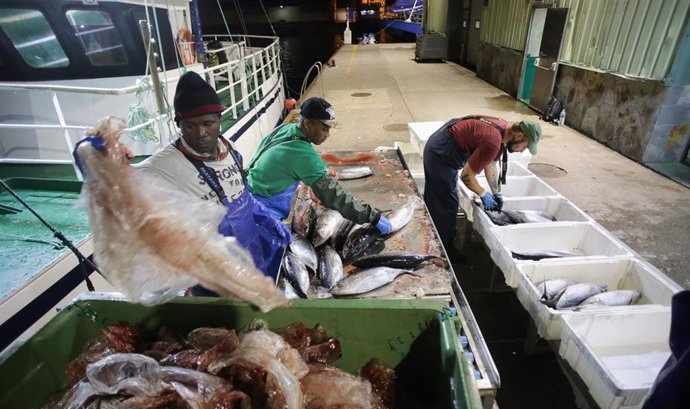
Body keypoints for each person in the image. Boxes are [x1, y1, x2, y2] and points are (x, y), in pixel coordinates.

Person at [136, 71, 290, 289]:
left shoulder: (231, 149)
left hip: (251, 255)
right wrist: (93, 158)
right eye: (190, 125)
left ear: (220, 118)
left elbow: (241, 194)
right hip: (211, 274)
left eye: (207, 123)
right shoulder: (162, 165)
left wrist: (265, 217)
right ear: (178, 123)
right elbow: (116, 186)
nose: (201, 133)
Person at [246, 97, 392, 234]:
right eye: (324, 128)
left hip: (246, 194)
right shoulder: (302, 154)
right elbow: (334, 195)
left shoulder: (285, 129)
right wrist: (372, 217)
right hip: (260, 212)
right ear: (308, 123)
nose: (327, 135)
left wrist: (318, 170)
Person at [423, 115, 542, 262]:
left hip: (442, 143)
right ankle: (442, 252)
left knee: (438, 198)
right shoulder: (493, 141)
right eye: (525, 146)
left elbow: (490, 163)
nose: (522, 150)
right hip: (440, 154)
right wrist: (483, 194)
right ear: (519, 135)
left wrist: (496, 192)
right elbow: (466, 176)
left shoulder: (503, 130)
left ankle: (431, 236)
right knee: (446, 204)